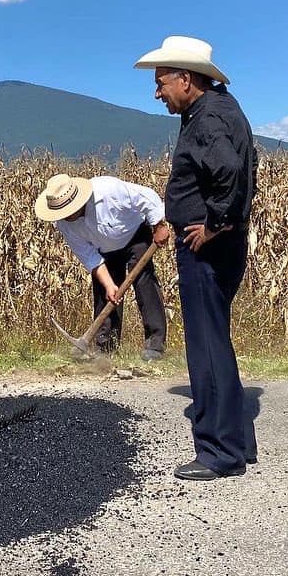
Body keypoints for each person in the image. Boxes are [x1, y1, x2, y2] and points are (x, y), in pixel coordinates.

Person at [134, 36, 259, 482]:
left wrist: (214, 225)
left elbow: (228, 173)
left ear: (185, 79)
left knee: (205, 347)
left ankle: (218, 453)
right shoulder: (222, 109)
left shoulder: (207, 118)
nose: (157, 92)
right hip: (220, 245)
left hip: (207, 250)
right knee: (216, 341)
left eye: (161, 82)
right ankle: (237, 441)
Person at [35, 174, 170, 359]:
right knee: (105, 295)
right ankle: (105, 350)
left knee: (144, 282)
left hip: (134, 235)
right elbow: (90, 257)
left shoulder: (108, 190)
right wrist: (108, 284)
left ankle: (155, 345)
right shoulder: (65, 224)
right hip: (104, 251)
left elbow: (146, 197)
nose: (66, 216)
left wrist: (158, 225)